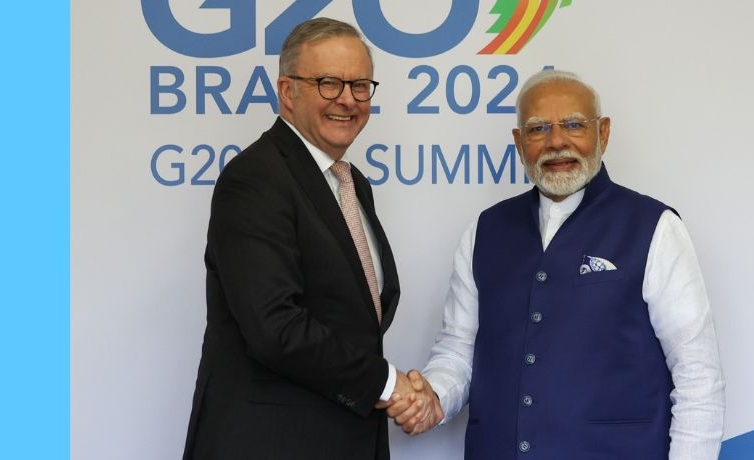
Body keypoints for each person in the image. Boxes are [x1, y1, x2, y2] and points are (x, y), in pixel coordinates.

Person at [387, 69, 726, 459]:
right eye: (538, 129)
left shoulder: (655, 227)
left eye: (574, 125)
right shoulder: (484, 231)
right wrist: (432, 397)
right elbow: (459, 351)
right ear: (518, 142)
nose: (557, 142)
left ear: (604, 133)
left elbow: (698, 375)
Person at [182, 18, 434, 460]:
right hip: (270, 443)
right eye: (328, 83)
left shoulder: (351, 183)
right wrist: (391, 385)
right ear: (287, 91)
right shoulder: (256, 179)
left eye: (359, 85)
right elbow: (274, 328)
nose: (347, 99)